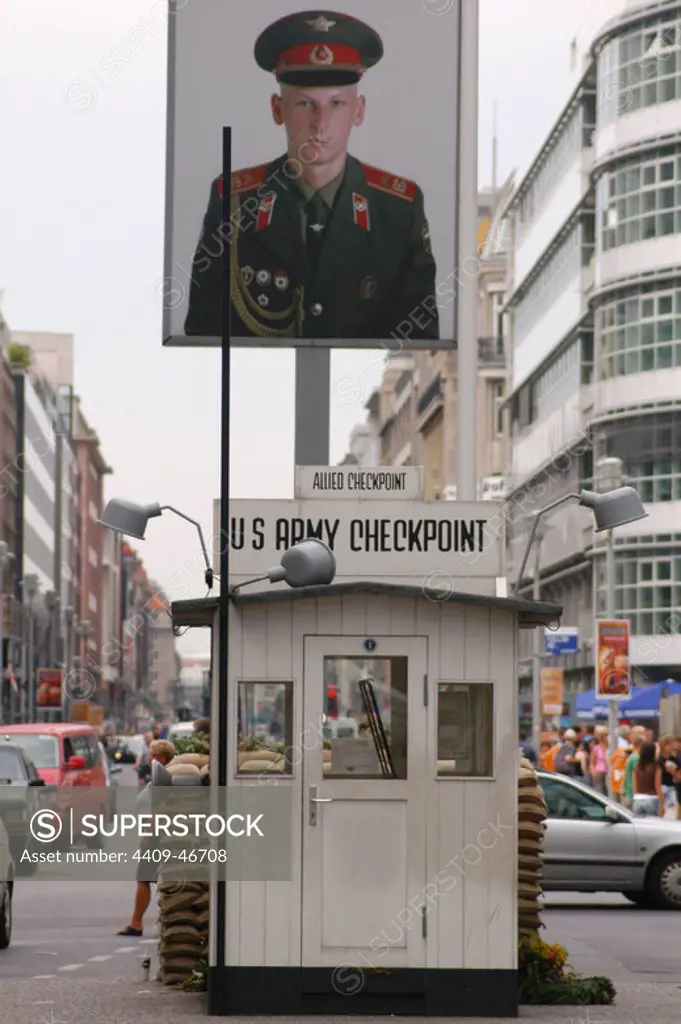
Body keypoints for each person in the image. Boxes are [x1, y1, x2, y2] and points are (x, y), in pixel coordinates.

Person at [184, 11, 438, 342]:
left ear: (358, 110)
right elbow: (204, 336)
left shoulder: (398, 209)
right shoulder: (233, 201)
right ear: (278, 109)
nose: (321, 123)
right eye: (305, 104)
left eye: (336, 104)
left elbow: (419, 341)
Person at [116, 739, 176, 937]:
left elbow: (157, 811)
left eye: (152, 754)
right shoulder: (160, 778)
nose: (148, 758)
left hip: (157, 837)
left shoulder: (163, 779)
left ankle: (136, 923)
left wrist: (148, 837)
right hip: (159, 835)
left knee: (143, 878)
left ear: (161, 757)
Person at [632, 741, 663, 817]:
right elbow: (657, 787)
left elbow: (634, 785)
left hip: (638, 799)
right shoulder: (656, 767)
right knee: (651, 826)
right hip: (651, 798)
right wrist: (662, 803)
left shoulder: (637, 766)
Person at [657, 734, 681, 816]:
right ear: (663, 745)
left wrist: (673, 772)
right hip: (661, 787)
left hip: (672, 787)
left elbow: (678, 775)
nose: (671, 746)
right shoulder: (658, 759)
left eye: (672, 743)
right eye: (669, 744)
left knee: (671, 813)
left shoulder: (674, 759)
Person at [623, 734, 644, 809]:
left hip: (629, 791)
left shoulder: (631, 757)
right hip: (633, 792)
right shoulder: (636, 758)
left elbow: (625, 775)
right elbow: (635, 776)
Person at [589, 729, 609, 795]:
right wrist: (593, 772)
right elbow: (592, 762)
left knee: (608, 792)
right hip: (599, 772)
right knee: (600, 793)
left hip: (608, 772)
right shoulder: (596, 748)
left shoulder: (610, 748)